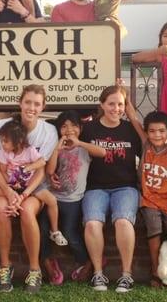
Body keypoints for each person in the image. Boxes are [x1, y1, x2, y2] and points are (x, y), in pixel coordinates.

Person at [0, 84, 58, 294]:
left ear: (43, 106)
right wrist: (9, 192)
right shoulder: (2, 125)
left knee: (27, 211)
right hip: (6, 187)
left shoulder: (49, 131)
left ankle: (34, 270)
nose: (31, 107)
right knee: (0, 209)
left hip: (34, 189)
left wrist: (24, 194)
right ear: (20, 103)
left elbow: (42, 170)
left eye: (37, 104)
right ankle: (5, 267)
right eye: (28, 102)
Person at [80, 85, 142, 293]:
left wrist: (133, 117)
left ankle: (126, 275)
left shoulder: (130, 129)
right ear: (102, 105)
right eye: (111, 104)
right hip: (96, 187)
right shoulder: (89, 129)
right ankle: (98, 273)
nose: (116, 108)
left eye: (120, 104)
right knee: (92, 223)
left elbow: (149, 146)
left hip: (125, 187)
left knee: (123, 221)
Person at [39, 110, 106, 285]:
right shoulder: (57, 148)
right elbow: (50, 171)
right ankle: (48, 262)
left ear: (80, 128)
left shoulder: (84, 148)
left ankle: (87, 260)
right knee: (43, 230)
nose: (69, 130)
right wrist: (56, 148)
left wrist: (80, 143)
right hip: (53, 199)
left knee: (70, 233)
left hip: (73, 201)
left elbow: (102, 152)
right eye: (64, 126)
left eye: (73, 126)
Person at [0, 118, 68, 247]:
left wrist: (26, 168)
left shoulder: (30, 151)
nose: (2, 144)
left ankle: (54, 230)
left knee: (52, 200)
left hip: (31, 185)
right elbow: (2, 170)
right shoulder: (5, 153)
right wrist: (11, 185)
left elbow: (41, 162)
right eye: (2, 140)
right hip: (12, 185)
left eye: (6, 141)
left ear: (18, 141)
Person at [130, 111, 167, 289]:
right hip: (149, 198)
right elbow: (133, 119)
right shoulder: (145, 145)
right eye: (152, 131)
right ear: (147, 132)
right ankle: (155, 269)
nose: (157, 135)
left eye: (162, 131)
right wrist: (123, 96)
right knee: (153, 224)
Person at [50, 0, 95, 122]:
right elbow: (60, 43)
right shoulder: (59, 9)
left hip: (95, 72)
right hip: (70, 74)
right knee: (72, 122)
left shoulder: (98, 7)